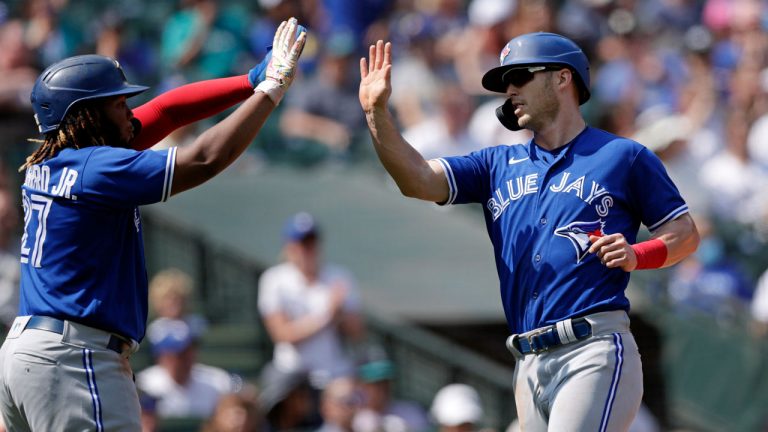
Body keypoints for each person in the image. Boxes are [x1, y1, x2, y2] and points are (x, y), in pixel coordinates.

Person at [358, 33, 700, 431]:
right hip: (527, 361)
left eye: (520, 75)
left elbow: (685, 233)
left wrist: (638, 254)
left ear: (562, 78)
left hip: (591, 349)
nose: (510, 89)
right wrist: (375, 112)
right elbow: (416, 180)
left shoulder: (623, 156)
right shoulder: (495, 164)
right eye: (506, 82)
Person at [0, 18, 307, 431]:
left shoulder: (55, 160)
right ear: (87, 115)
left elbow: (165, 110)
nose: (128, 110)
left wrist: (250, 80)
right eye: (117, 103)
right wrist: (272, 89)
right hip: (74, 358)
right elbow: (202, 159)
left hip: (26, 355)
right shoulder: (96, 167)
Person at [257, 212, 366, 389]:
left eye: (312, 242)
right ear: (289, 247)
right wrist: (327, 314)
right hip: (292, 374)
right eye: (302, 243)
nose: (307, 250)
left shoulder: (339, 276)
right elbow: (282, 334)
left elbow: (357, 332)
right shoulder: (274, 279)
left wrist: (340, 313)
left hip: (333, 374)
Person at [136, 318, 237, 419]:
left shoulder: (217, 381)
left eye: (189, 351)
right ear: (163, 357)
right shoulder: (144, 384)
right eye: (178, 354)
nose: (186, 359)